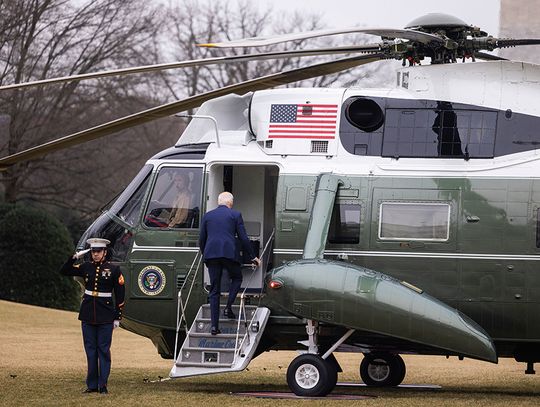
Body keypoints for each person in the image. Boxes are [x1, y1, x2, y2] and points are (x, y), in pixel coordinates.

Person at [60, 238, 125, 395]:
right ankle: (92, 385)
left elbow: (120, 294)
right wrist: (73, 257)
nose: (95, 254)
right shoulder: (85, 266)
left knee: (103, 350)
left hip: (106, 315)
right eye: (93, 252)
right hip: (88, 314)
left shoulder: (114, 269)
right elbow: (64, 271)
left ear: (104, 252)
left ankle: (103, 385)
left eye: (98, 252)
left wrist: (118, 317)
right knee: (90, 351)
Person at [199, 192, 260, 335]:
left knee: (214, 290)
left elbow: (202, 239)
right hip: (228, 253)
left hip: (211, 255)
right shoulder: (235, 215)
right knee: (237, 277)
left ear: (218, 202)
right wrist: (253, 257)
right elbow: (244, 238)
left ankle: (214, 327)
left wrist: (205, 254)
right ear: (230, 203)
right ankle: (228, 307)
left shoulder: (207, 216)